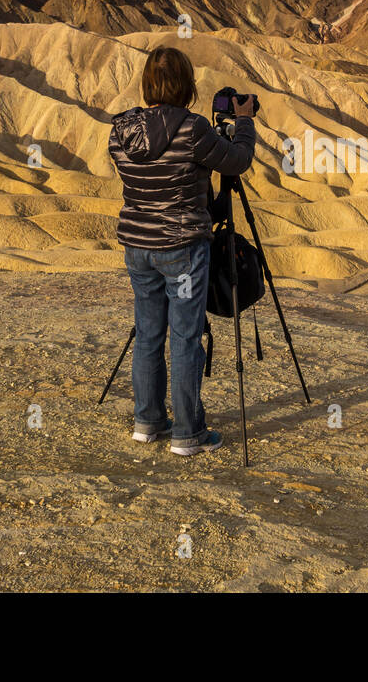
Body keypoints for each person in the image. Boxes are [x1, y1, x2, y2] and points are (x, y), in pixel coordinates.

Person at [108, 47, 257, 455]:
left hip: (138, 246)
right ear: (186, 85)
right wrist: (243, 122)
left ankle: (148, 421)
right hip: (182, 248)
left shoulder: (118, 129)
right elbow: (236, 161)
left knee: (148, 334)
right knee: (187, 338)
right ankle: (188, 433)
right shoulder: (192, 130)